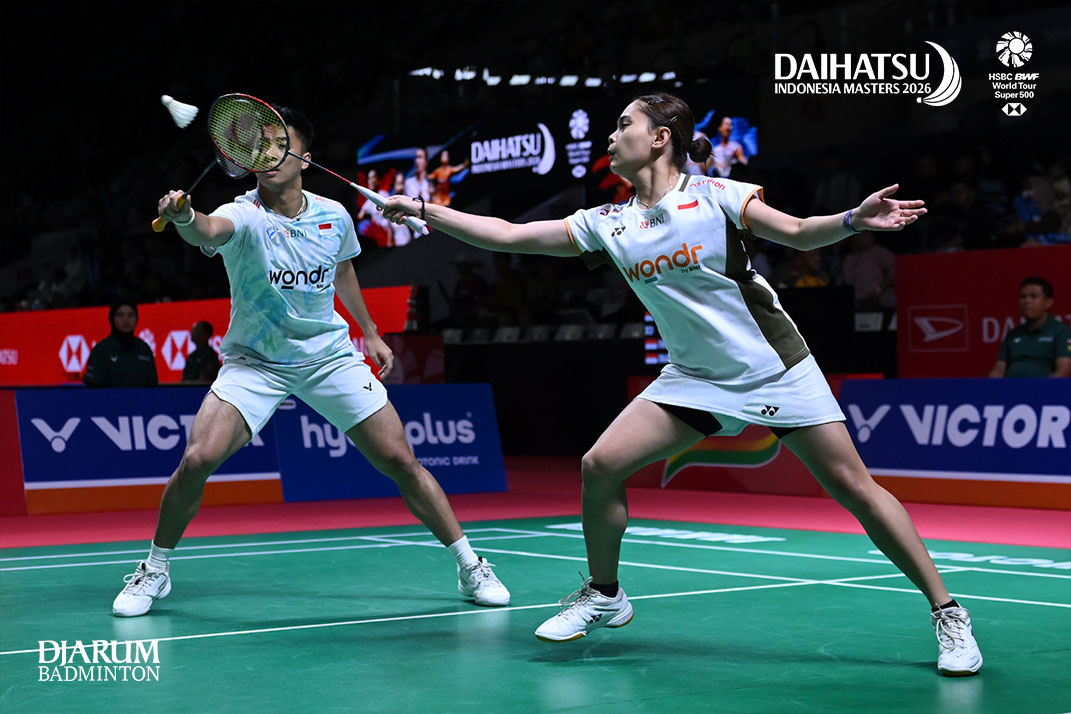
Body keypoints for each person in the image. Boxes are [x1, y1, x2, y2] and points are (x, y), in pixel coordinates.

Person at [382, 92, 983, 676]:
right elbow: (508, 235)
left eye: (624, 124)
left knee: (854, 488)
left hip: (772, 366)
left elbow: (799, 232)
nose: (612, 136)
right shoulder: (608, 223)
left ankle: (949, 613)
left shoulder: (718, 195)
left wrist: (853, 219)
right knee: (600, 464)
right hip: (694, 377)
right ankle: (605, 593)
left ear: (660, 138)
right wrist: (424, 210)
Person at [115, 104, 510, 618]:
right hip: (256, 361)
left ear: (304, 157)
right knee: (197, 459)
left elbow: (342, 270)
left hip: (328, 357)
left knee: (400, 460)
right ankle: (155, 568)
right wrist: (185, 217)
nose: (269, 154)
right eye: (261, 146)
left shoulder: (334, 214)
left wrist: (370, 331)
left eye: (281, 145)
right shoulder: (244, 214)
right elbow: (207, 230)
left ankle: (469, 564)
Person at [988, 277, 1071, 377]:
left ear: (1048, 302)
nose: (1027, 301)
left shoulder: (1063, 332)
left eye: (1033, 296)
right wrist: (987, 385)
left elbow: (1064, 371)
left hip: (1044, 386)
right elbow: (998, 370)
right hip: (1011, 386)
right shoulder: (1013, 334)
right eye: (1023, 296)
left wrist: (1042, 386)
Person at [84, 299, 159, 388]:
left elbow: (153, 387)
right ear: (112, 319)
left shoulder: (144, 349)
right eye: (120, 315)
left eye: (130, 315)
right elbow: (93, 388)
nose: (125, 320)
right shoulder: (100, 351)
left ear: (137, 319)